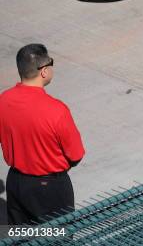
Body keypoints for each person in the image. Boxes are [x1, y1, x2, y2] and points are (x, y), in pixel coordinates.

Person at [0, 44, 85, 224]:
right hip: (50, 188)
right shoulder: (56, 110)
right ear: (44, 71)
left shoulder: (3, 101)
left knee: (19, 237)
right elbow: (76, 155)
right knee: (58, 237)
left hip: (16, 182)